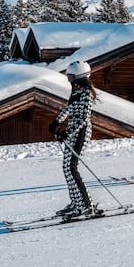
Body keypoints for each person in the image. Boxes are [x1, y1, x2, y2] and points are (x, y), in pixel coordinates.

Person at [49, 60, 98, 218]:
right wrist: (57, 121)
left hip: (81, 132)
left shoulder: (86, 92)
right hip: (73, 132)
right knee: (67, 168)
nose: (68, 79)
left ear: (79, 76)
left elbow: (83, 118)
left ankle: (85, 205)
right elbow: (69, 107)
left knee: (71, 167)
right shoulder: (76, 90)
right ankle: (76, 202)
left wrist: (66, 132)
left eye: (71, 76)